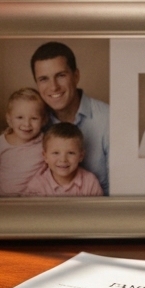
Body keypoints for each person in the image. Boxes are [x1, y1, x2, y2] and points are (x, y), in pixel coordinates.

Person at [30, 42, 110, 194]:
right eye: (43, 79)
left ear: (76, 76)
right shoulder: (33, 122)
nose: (53, 87)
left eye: (60, 75)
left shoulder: (109, 119)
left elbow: (122, 188)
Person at [21, 123, 104, 197]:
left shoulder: (90, 182)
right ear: (45, 156)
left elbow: (98, 212)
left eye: (71, 153)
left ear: (81, 156)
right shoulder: (37, 186)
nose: (63, 160)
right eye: (56, 153)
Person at [0, 88, 48, 197]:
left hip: (33, 201)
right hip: (2, 200)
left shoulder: (46, 142)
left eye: (34, 118)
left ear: (44, 120)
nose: (26, 124)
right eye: (20, 117)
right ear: (9, 120)